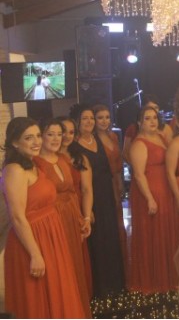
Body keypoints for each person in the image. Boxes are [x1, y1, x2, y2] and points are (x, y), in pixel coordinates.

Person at [3, 117, 86, 318]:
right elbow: (17, 217)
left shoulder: (32, 165)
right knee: (39, 299)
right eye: (28, 138)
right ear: (15, 142)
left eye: (38, 136)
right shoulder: (14, 170)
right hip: (33, 240)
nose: (36, 142)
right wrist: (35, 254)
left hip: (50, 236)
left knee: (58, 293)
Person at [33, 118, 93, 316]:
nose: (56, 139)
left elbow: (73, 192)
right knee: (60, 270)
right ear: (41, 136)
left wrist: (82, 219)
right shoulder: (35, 163)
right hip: (53, 221)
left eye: (59, 134)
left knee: (74, 266)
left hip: (70, 217)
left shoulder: (62, 159)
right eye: (50, 134)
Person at [70, 103, 125, 297]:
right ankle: (100, 285)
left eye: (91, 118)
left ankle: (115, 282)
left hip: (106, 193)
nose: (89, 122)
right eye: (85, 118)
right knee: (96, 240)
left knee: (110, 236)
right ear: (77, 121)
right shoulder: (73, 145)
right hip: (90, 196)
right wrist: (87, 209)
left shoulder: (98, 138)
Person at [129, 106, 179, 293]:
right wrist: (149, 198)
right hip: (150, 192)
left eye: (154, 118)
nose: (152, 121)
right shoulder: (139, 144)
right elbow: (138, 175)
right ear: (139, 122)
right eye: (147, 118)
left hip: (165, 190)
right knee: (153, 235)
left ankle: (167, 276)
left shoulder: (160, 137)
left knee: (165, 232)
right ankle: (153, 279)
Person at [58, 116, 93, 297]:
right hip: (55, 211)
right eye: (62, 132)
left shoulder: (80, 158)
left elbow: (87, 190)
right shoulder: (44, 158)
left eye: (71, 132)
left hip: (76, 209)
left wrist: (86, 215)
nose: (66, 136)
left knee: (75, 255)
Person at [93, 104, 128, 276]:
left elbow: (119, 164)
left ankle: (119, 265)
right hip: (102, 185)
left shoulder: (113, 136)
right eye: (100, 118)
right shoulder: (93, 140)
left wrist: (120, 182)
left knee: (117, 222)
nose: (104, 121)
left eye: (107, 117)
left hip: (115, 183)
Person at [122, 94, 173, 164]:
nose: (153, 110)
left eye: (156, 107)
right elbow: (125, 153)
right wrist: (135, 165)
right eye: (150, 107)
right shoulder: (133, 129)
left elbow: (172, 152)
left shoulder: (166, 128)